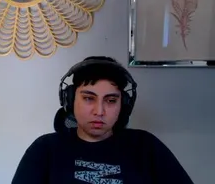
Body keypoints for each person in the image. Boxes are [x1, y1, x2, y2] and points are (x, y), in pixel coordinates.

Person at [10, 56, 194, 184]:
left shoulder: (146, 147)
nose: (99, 111)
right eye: (88, 98)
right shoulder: (45, 150)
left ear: (124, 105)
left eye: (111, 100)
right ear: (71, 100)